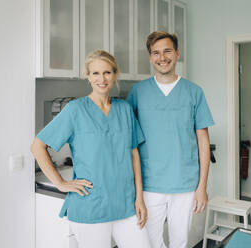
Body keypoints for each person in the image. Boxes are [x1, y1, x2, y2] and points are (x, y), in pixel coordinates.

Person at [31, 50, 151, 248]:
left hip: (125, 203)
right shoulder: (75, 110)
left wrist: (139, 198)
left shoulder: (125, 109)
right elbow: (37, 146)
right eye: (95, 73)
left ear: (115, 74)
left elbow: (133, 154)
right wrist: (60, 183)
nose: (101, 79)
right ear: (88, 76)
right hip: (91, 204)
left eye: (107, 73)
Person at [127, 31, 214, 248]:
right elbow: (127, 140)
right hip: (149, 183)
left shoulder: (194, 92)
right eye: (155, 52)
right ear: (150, 57)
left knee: (180, 241)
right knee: (149, 240)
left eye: (167, 51)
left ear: (177, 54)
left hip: (185, 183)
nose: (162, 57)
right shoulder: (138, 92)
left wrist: (202, 186)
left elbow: (203, 141)